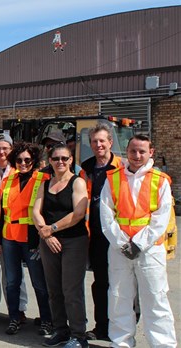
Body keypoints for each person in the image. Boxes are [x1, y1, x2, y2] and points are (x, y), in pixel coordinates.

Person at [100, 135, 177, 348]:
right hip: (120, 250)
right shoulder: (113, 178)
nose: (137, 155)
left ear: (151, 152)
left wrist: (138, 243)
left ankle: (163, 345)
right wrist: (122, 243)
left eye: (142, 151)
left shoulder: (160, 180)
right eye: (133, 151)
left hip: (150, 250)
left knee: (155, 299)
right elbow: (106, 215)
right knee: (119, 299)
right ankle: (121, 343)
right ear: (127, 151)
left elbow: (161, 218)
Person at [33, 144, 89, 348]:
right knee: (54, 288)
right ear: (50, 161)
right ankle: (61, 330)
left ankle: (79, 336)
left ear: (71, 160)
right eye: (56, 159)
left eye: (64, 158)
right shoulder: (45, 184)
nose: (60, 162)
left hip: (74, 241)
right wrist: (46, 235)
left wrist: (52, 228)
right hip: (49, 242)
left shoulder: (77, 183)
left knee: (71, 289)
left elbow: (79, 213)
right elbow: (36, 211)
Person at [1, 142, 52, 336]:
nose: (23, 163)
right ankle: (14, 317)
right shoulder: (8, 180)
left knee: (39, 282)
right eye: (19, 160)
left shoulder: (43, 179)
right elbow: (1, 212)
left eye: (27, 160)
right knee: (12, 281)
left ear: (34, 160)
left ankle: (47, 320)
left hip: (32, 237)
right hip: (9, 236)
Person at [78, 122, 122, 342]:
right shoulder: (85, 169)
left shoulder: (121, 168)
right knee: (100, 283)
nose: (98, 145)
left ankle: (121, 329)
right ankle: (101, 327)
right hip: (95, 236)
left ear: (110, 142)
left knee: (121, 284)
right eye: (94, 141)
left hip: (117, 236)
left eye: (102, 141)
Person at [0, 133, 28, 320]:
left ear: (11, 150)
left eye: (5, 148)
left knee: (12, 272)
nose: (1, 152)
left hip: (10, 228)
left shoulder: (18, 168)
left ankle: (19, 307)